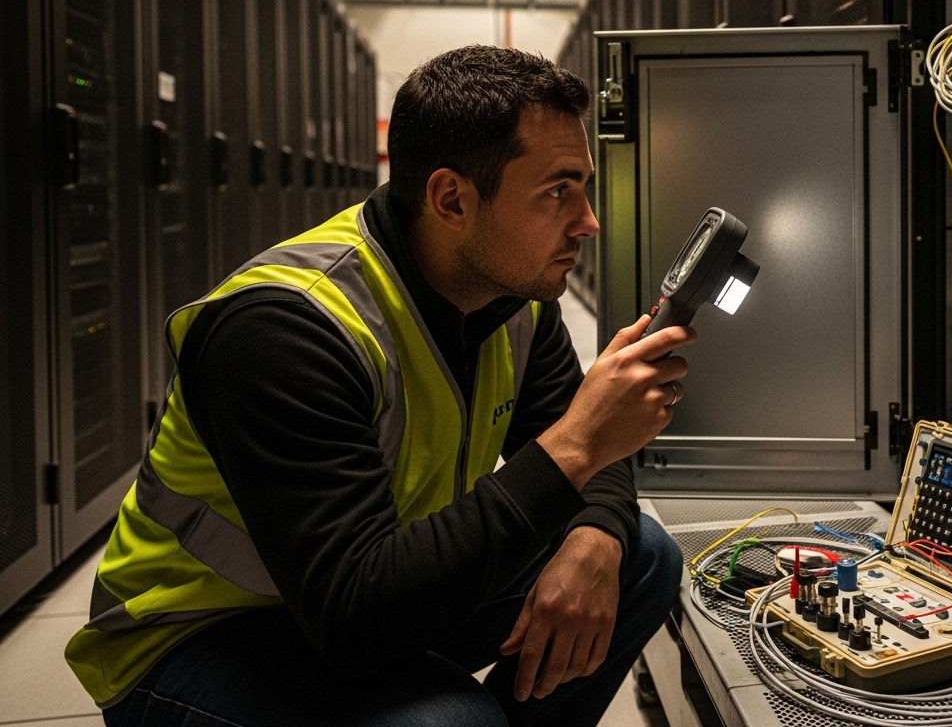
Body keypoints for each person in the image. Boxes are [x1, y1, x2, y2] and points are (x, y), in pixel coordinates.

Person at [65, 45, 692, 727]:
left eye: (584, 188)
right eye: (557, 192)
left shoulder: (513, 301)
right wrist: (576, 444)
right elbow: (356, 624)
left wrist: (594, 535)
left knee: (638, 558)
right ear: (451, 198)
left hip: (383, 585)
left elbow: (594, 468)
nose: (588, 221)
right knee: (450, 722)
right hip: (201, 634)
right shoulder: (283, 330)